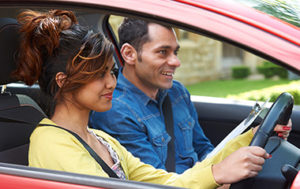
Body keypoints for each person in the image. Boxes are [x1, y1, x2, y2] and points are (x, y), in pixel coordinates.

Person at [14, 10, 290, 189]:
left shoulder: (101, 139)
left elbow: (169, 183)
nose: (112, 82)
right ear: (63, 81)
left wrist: (249, 139)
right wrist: (217, 175)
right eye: (97, 75)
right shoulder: (51, 142)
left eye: (111, 71)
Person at [89, 18, 291, 174]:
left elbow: (204, 150)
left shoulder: (177, 92)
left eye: (175, 52)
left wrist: (253, 137)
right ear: (129, 54)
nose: (175, 62)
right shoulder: (115, 110)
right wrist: (220, 177)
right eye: (163, 52)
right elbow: (156, 182)